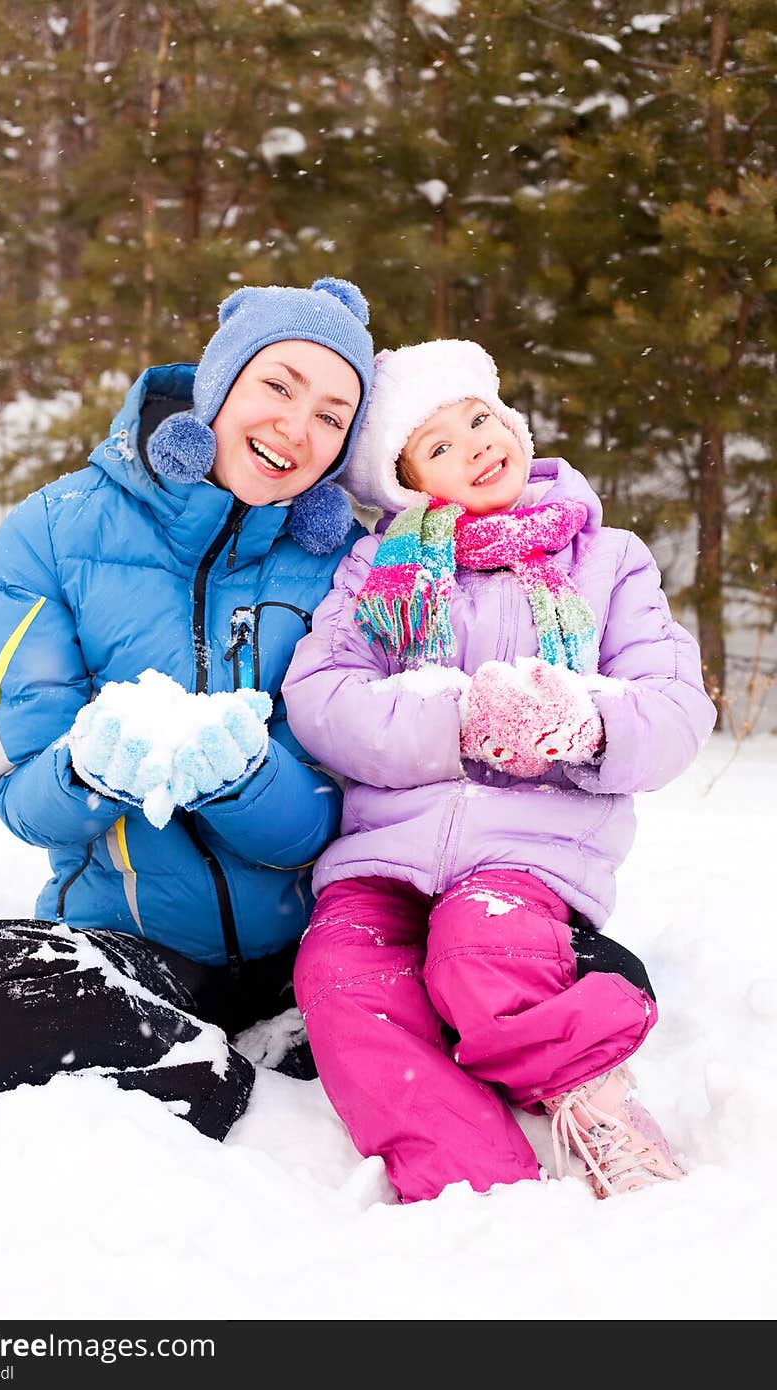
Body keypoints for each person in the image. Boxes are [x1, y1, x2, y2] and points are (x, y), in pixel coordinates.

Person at [0, 277, 374, 1141]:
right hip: (136, 953)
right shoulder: (53, 530)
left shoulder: (349, 563)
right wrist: (93, 768)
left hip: (315, 951)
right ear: (220, 382)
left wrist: (243, 778)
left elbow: (346, 813)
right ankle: (219, 1070)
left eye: (331, 415)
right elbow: (18, 790)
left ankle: (293, 1036)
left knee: (527, 964)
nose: (294, 429)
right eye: (277, 386)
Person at [282, 339, 717, 1201]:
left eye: (480, 419)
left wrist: (587, 725)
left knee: (482, 955)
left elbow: (675, 706)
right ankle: (468, 1187)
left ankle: (592, 1097)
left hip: (528, 854)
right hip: (383, 854)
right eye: (439, 445)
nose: (476, 444)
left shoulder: (604, 561)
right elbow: (322, 696)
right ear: (410, 485)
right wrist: (458, 721)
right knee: (340, 981)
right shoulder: (379, 575)